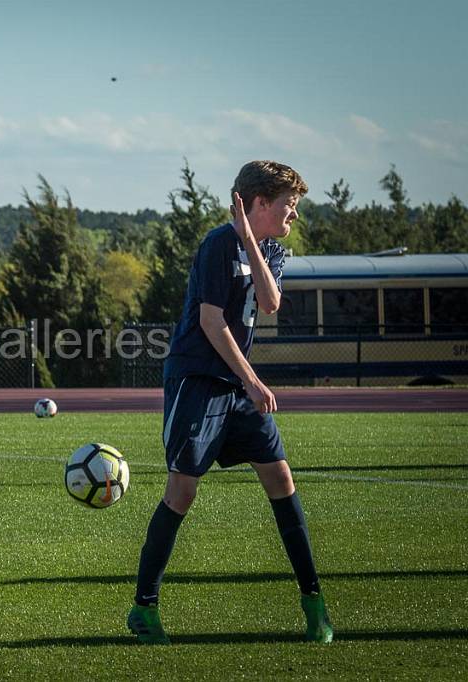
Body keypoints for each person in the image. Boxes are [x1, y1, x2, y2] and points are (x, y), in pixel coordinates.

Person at [127, 161, 332, 644]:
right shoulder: (217, 243)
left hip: (238, 387)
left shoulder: (270, 250)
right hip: (198, 380)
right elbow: (211, 323)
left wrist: (252, 242)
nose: (294, 216)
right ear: (259, 202)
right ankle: (144, 610)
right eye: (289, 205)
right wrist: (254, 381)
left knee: (280, 478)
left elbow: (270, 302)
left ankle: (314, 602)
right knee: (182, 492)